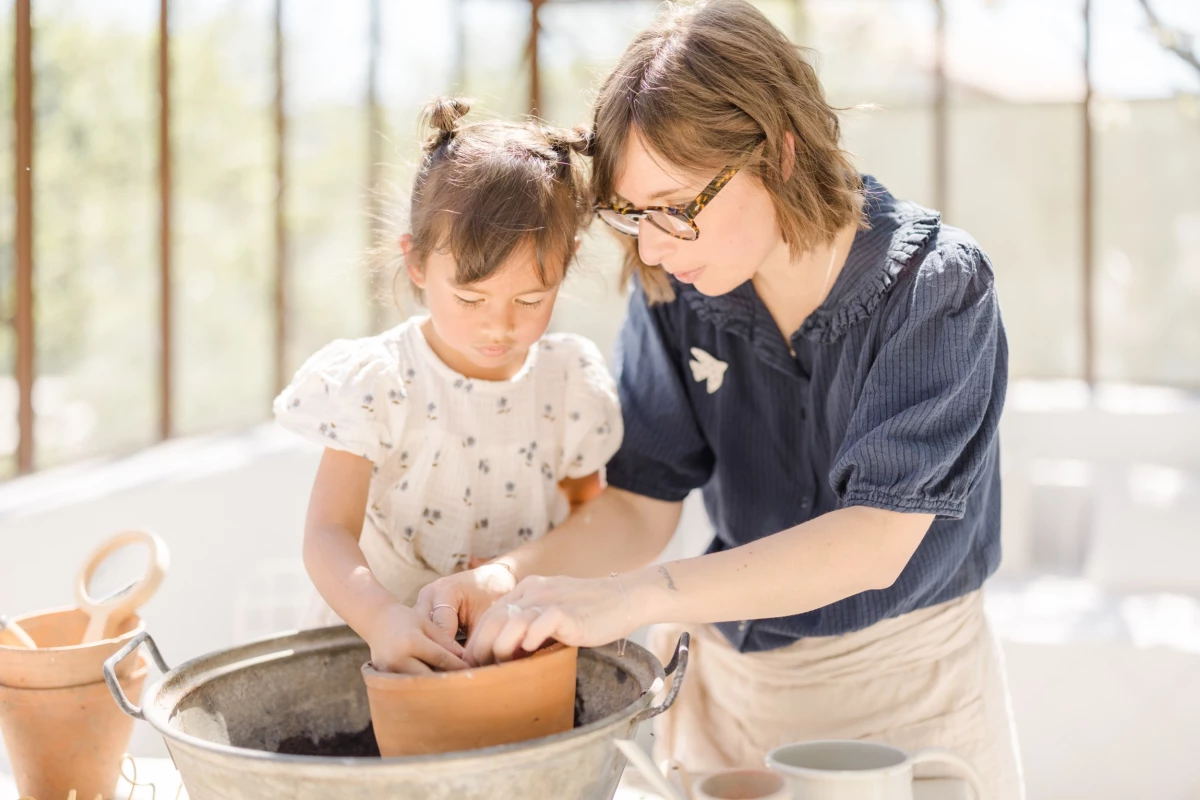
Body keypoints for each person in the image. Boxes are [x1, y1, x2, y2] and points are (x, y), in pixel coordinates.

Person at [416, 3, 1023, 797]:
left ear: (780, 153)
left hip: (909, 693)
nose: (654, 247)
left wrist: (630, 599)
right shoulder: (681, 290)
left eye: (676, 207)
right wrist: (505, 579)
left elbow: (873, 542)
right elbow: (640, 505)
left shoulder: (937, 289)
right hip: (731, 696)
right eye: (633, 216)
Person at [272, 98, 623, 675]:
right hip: (368, 655)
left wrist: (521, 572)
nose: (500, 325)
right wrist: (382, 617)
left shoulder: (567, 385)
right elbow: (328, 533)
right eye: (469, 298)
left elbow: (590, 514)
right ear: (416, 263)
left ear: (568, 262)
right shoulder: (380, 382)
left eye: (531, 299)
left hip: (509, 658)